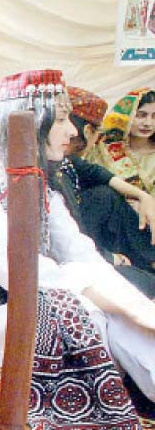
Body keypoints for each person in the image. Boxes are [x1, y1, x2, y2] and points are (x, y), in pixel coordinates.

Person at [0, 69, 152, 430]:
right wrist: (122, 301)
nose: (73, 132)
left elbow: (84, 256)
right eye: (61, 119)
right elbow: (28, 278)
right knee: (86, 311)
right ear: (28, 122)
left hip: (21, 318)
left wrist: (139, 307)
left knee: (115, 303)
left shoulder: (38, 184)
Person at [57, 86, 155, 296]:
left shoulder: (67, 161)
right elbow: (61, 235)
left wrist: (143, 197)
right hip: (77, 256)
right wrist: (107, 257)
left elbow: (98, 174)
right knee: (105, 196)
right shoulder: (55, 164)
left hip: (119, 235)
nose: (148, 122)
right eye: (142, 115)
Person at [86, 88, 155, 194]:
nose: (148, 123)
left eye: (154, 117)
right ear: (125, 116)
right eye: (141, 115)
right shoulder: (101, 149)